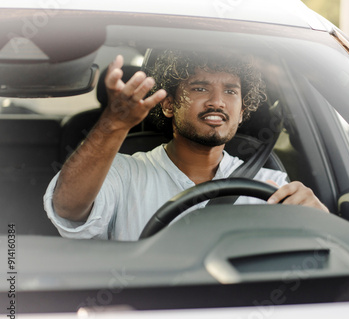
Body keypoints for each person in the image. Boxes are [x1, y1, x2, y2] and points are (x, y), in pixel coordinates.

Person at [44, 50, 328, 241]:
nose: (217, 101)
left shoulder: (273, 185)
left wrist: (321, 223)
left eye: (230, 91)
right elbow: (68, 208)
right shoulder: (123, 172)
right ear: (169, 104)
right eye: (200, 88)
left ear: (242, 111)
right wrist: (114, 124)